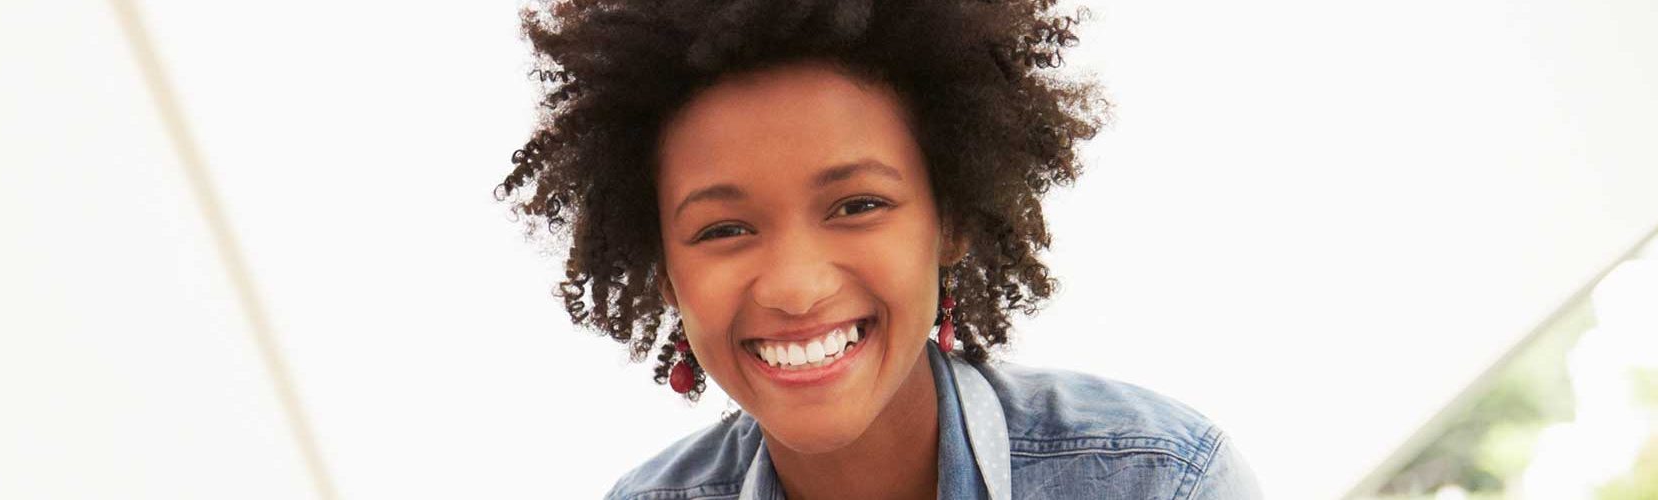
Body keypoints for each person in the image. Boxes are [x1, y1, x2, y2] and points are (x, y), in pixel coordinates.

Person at [495, 0, 1262, 498]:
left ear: (950, 218)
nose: (795, 288)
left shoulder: (1159, 481)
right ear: (663, 268)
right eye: (724, 230)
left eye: (858, 205)